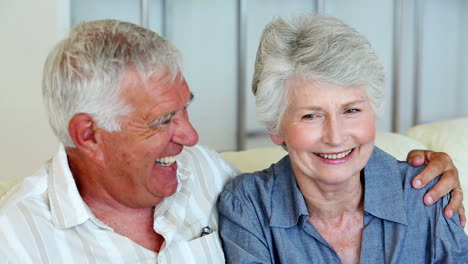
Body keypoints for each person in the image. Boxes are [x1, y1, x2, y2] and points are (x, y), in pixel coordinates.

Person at [0, 19, 462, 263]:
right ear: (89, 135)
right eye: (163, 120)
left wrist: (434, 166)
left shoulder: (202, 174)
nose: (191, 135)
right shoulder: (15, 239)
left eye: (187, 107)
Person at [217, 14, 468, 263]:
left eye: (351, 110)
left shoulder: (427, 192)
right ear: (276, 128)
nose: (335, 137)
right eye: (311, 116)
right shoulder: (248, 205)